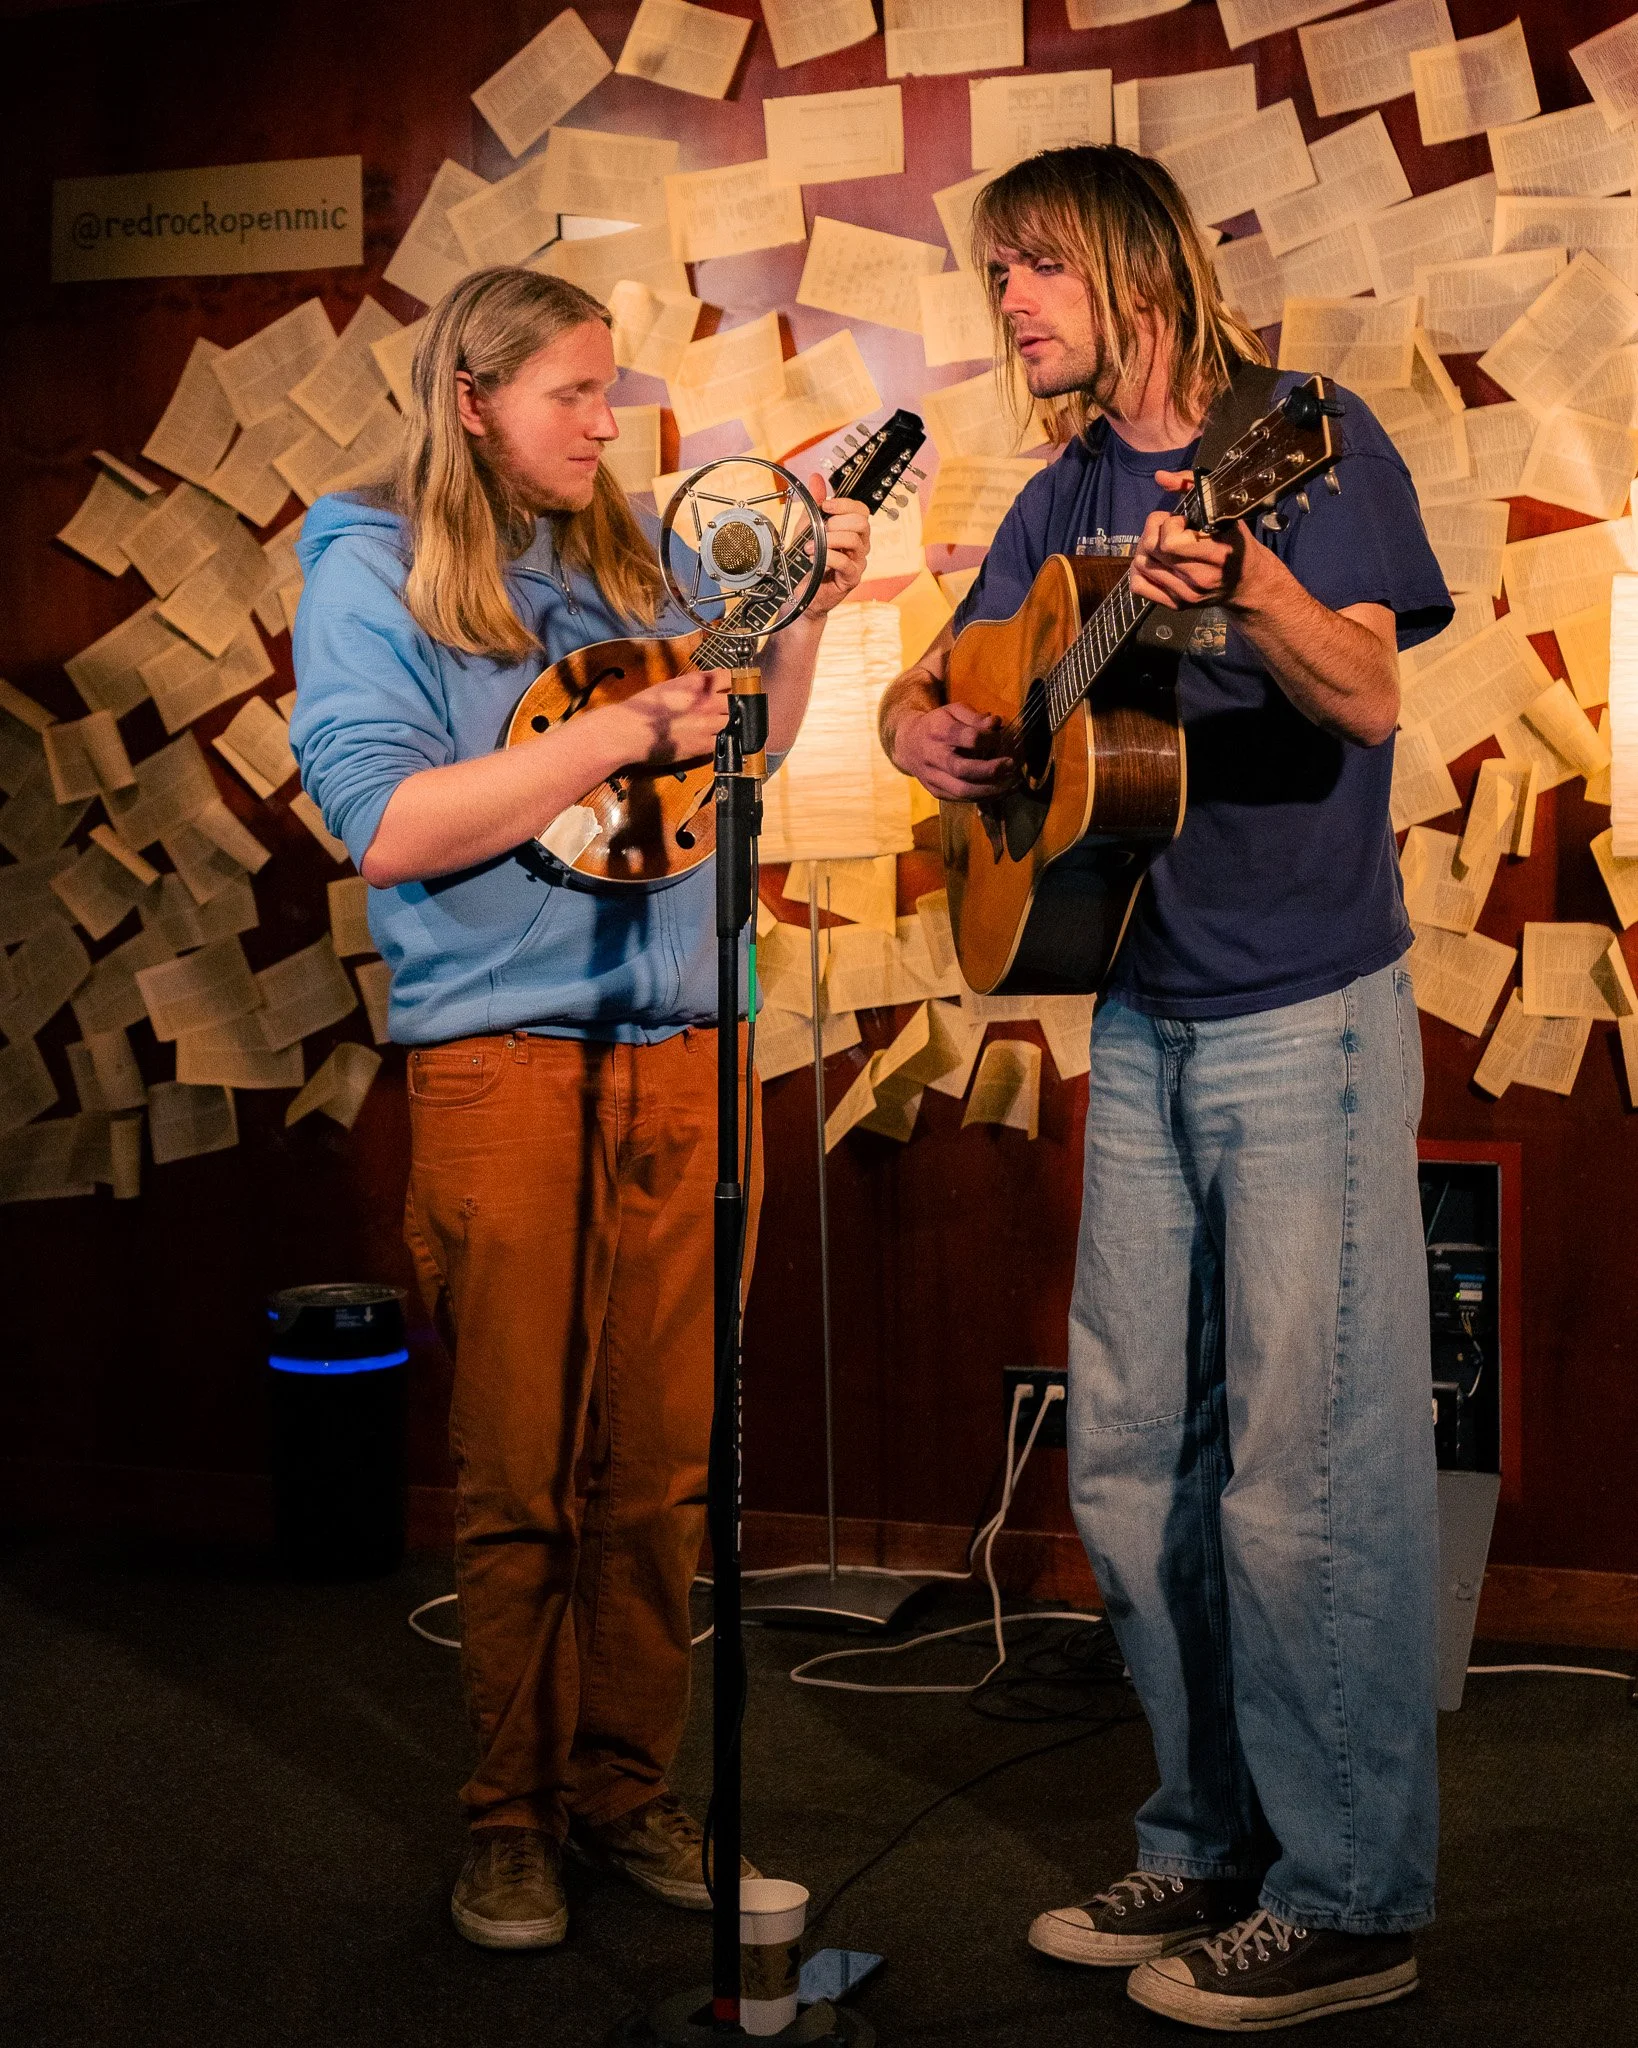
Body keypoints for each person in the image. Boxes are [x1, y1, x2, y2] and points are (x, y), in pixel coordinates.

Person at [878, 147, 1451, 2033]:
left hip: (1303, 1014)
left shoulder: (1301, 432)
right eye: (1000, 277)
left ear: (1132, 269)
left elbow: (1365, 698)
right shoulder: (1060, 494)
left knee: (1303, 1485)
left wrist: (1258, 587)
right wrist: (931, 728)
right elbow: (947, 685)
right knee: (1134, 1472)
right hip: (1136, 1011)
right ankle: (1203, 1839)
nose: (1014, 307)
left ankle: (1351, 1894)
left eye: (1036, 269)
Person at [289, 266, 869, 1950]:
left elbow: (736, 741)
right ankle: (508, 1821)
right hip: (503, 1059)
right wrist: (618, 723)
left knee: (658, 1471)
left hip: (686, 1045)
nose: (603, 421)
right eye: (568, 394)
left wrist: (814, 604)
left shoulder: (632, 549)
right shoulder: (372, 563)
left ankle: (625, 1793)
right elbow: (389, 827)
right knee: (522, 1471)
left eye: (609, 391)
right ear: (470, 399)